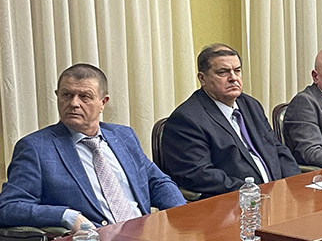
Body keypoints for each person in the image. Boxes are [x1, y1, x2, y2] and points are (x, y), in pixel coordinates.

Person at [0, 64, 185, 229]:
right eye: (66, 95)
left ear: (103, 103)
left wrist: (183, 215)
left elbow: (157, 181)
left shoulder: (123, 136)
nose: (74, 103)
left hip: (144, 235)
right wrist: (66, 216)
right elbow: (9, 207)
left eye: (84, 97)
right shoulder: (36, 148)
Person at [160, 44, 300, 197]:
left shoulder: (250, 105)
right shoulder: (186, 120)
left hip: (275, 195)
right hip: (234, 201)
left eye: (237, 70)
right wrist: (253, 192)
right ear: (202, 78)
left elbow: (278, 149)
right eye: (223, 72)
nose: (233, 78)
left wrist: (296, 185)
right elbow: (201, 175)